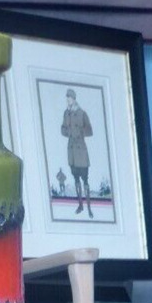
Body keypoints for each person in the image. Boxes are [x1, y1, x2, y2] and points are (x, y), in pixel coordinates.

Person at [60, 87, 93, 218]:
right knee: (76, 180)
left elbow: (89, 130)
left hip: (81, 152)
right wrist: (69, 132)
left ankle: (89, 207)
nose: (67, 100)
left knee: (85, 180)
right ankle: (80, 205)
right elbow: (62, 129)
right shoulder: (66, 114)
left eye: (69, 97)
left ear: (74, 99)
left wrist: (78, 132)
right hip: (72, 151)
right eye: (67, 98)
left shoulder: (82, 113)